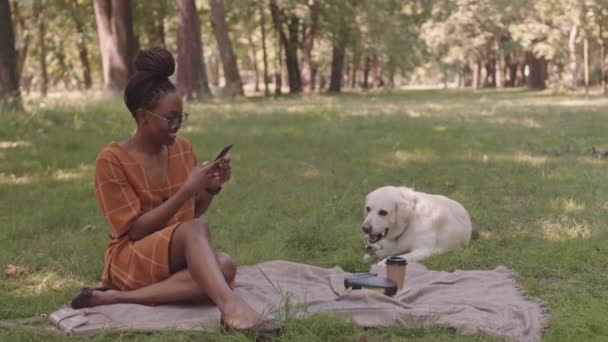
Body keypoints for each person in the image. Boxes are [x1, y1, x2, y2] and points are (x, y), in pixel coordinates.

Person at [71, 47, 263, 331]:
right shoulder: (111, 161)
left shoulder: (183, 150)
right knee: (199, 232)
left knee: (225, 266)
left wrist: (209, 188)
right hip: (131, 257)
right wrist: (187, 190)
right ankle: (231, 307)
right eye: (170, 118)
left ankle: (115, 299)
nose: (177, 126)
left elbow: (188, 215)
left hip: (171, 257)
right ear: (144, 117)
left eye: (181, 118)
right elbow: (135, 231)